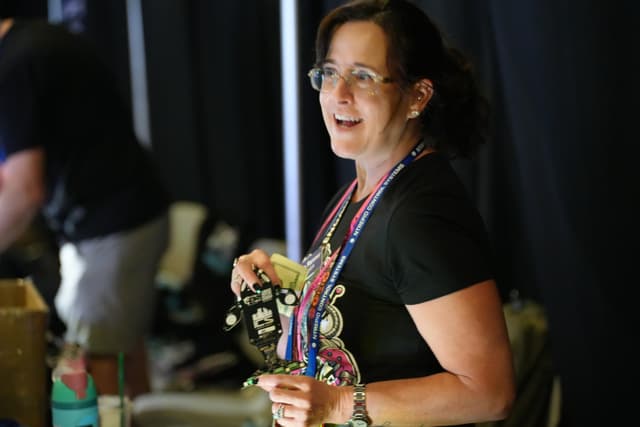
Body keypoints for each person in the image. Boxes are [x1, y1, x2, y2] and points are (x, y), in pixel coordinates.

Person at [230, 1, 515, 426]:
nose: (339, 94)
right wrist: (277, 291)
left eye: (363, 76)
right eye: (329, 73)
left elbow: (489, 393)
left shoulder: (420, 216)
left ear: (417, 95)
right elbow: (341, 332)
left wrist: (338, 405)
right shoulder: (358, 193)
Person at [0, 2, 170, 398]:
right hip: (126, 214)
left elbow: (24, 190)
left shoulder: (13, 69)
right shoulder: (35, 41)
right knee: (121, 348)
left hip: (113, 226)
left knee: (97, 363)